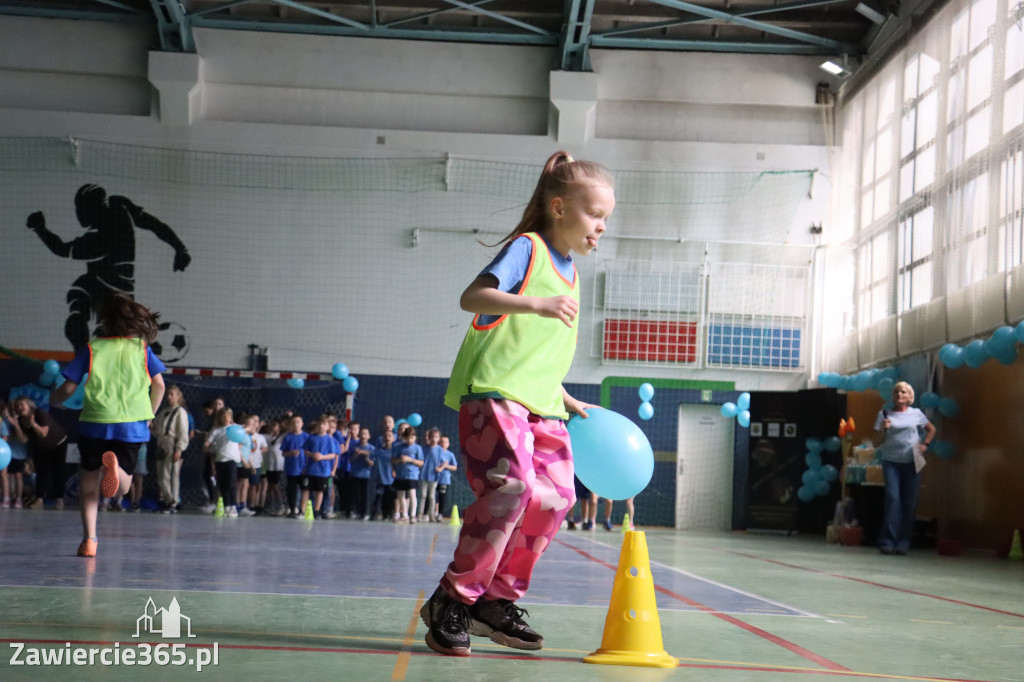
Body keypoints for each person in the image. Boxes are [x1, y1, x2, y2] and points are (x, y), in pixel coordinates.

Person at [422, 151, 613, 657]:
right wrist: (535, 302)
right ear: (558, 207)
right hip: (494, 394)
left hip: (541, 401)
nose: (601, 227)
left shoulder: (571, 272)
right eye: (595, 215)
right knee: (512, 491)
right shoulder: (527, 250)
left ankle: (496, 600)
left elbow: (535, 351)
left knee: (557, 498)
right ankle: (452, 599)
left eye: (606, 220)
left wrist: (564, 395)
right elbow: (473, 298)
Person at [49, 293, 167, 556]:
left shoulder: (92, 348)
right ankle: (117, 472)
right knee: (122, 485)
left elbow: (68, 387)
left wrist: (55, 402)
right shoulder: (142, 349)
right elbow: (159, 385)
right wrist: (149, 414)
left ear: (105, 320)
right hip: (132, 424)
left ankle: (89, 540)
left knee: (88, 482)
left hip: (95, 422)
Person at [26, 184, 190, 351]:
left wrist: (40, 228)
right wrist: (179, 248)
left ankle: (84, 357)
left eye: (81, 208)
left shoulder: (99, 239)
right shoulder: (120, 206)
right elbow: (154, 224)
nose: (78, 214)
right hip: (115, 286)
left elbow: (61, 249)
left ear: (92, 208)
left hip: (110, 291)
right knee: (80, 296)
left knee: (84, 308)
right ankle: (90, 352)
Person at [873, 381, 935, 555]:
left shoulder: (916, 414)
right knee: (893, 499)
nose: (899, 395)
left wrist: (925, 445)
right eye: (897, 392)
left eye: (903, 392)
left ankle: (904, 541)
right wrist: (884, 430)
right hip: (891, 461)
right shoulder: (884, 414)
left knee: (909, 501)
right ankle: (887, 540)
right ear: (893, 396)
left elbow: (931, 429)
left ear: (909, 397)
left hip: (912, 461)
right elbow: (876, 442)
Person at [9, 396, 69, 510]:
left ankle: (60, 499)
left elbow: (43, 434)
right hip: (41, 446)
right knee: (41, 472)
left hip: (58, 443)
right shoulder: (21, 421)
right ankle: (39, 500)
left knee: (58, 470)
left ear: (29, 405)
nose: (20, 408)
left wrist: (33, 424)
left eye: (22, 405)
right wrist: (16, 425)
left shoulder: (40, 413)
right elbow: (23, 440)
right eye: (17, 406)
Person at [153, 384, 190, 513]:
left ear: (178, 396)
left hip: (172, 444)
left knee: (171, 475)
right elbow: (157, 429)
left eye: (171, 394)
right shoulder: (163, 412)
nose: (169, 397)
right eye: (167, 394)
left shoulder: (180, 412)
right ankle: (168, 500)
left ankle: (173, 501)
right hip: (161, 444)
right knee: (161, 476)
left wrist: (179, 449)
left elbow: (183, 431)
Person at [204, 408, 241, 517]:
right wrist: (208, 447)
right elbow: (207, 444)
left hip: (231, 460)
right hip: (220, 460)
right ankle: (227, 506)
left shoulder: (235, 428)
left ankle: (233, 506)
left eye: (228, 416)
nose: (225, 418)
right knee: (223, 485)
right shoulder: (216, 430)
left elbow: (246, 429)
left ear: (231, 417)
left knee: (231, 483)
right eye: (223, 416)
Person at [300, 416, 338, 520]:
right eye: (319, 424)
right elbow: (305, 451)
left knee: (319, 491)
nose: (321, 426)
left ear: (328, 427)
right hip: (310, 470)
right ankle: (302, 511)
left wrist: (322, 457)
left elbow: (333, 455)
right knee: (306, 490)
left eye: (324, 424)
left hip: (323, 471)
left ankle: (316, 511)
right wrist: (312, 455)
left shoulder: (330, 440)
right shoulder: (311, 438)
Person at [391, 425, 423, 523]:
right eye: (407, 438)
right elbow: (392, 460)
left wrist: (411, 460)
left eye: (412, 438)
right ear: (404, 438)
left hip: (412, 475)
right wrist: (400, 460)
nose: (410, 440)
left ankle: (413, 515)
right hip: (401, 475)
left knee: (412, 494)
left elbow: (421, 463)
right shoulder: (398, 447)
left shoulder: (417, 448)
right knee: (400, 496)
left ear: (415, 437)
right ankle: (404, 515)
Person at [1, 403, 28, 508]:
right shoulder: (3, 421)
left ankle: (18, 499)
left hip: (18, 453)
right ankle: (8, 497)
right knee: (6, 476)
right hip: (6, 454)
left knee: (18, 476)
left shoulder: (21, 421)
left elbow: (22, 439)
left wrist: (15, 425)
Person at [281, 414, 307, 517]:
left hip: (303, 468)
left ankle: (302, 509)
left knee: (305, 489)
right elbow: (283, 453)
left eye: (298, 422)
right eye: (294, 422)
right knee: (291, 490)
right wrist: (290, 453)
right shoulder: (288, 437)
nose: (296, 424)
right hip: (292, 468)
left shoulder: (307, 437)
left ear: (302, 424)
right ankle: (292, 509)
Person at [370, 428, 396, 520]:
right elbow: (371, 460)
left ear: (393, 438)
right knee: (379, 497)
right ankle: (375, 514)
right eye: (385, 436)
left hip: (391, 479)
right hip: (380, 478)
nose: (387, 437)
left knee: (390, 497)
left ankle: (390, 513)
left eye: (389, 436)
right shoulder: (377, 451)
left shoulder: (395, 451)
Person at [417, 427, 443, 522]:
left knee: (432, 497)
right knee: (423, 495)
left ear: (438, 438)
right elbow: (420, 460)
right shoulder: (423, 448)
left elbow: (444, 462)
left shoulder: (440, 449)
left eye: (436, 437)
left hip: (434, 476)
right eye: (432, 436)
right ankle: (419, 515)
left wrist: (440, 468)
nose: (434, 439)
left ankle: (431, 515)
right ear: (429, 437)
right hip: (423, 475)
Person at [349, 427, 375, 519]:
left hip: (366, 475)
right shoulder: (354, 447)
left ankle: (365, 512)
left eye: (365, 434)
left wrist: (366, 457)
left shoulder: (371, 448)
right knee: (355, 494)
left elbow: (372, 463)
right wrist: (356, 454)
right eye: (362, 434)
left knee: (365, 495)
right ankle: (354, 511)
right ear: (359, 435)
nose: (363, 436)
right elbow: (350, 460)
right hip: (355, 474)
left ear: (369, 436)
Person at [434, 434, 457, 522]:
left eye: (445, 442)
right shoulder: (435, 452)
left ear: (448, 444)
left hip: (444, 479)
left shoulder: (450, 454)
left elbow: (454, 467)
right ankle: (431, 513)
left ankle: (440, 514)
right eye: (441, 442)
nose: (443, 444)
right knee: (433, 497)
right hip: (434, 478)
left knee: (441, 497)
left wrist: (445, 466)